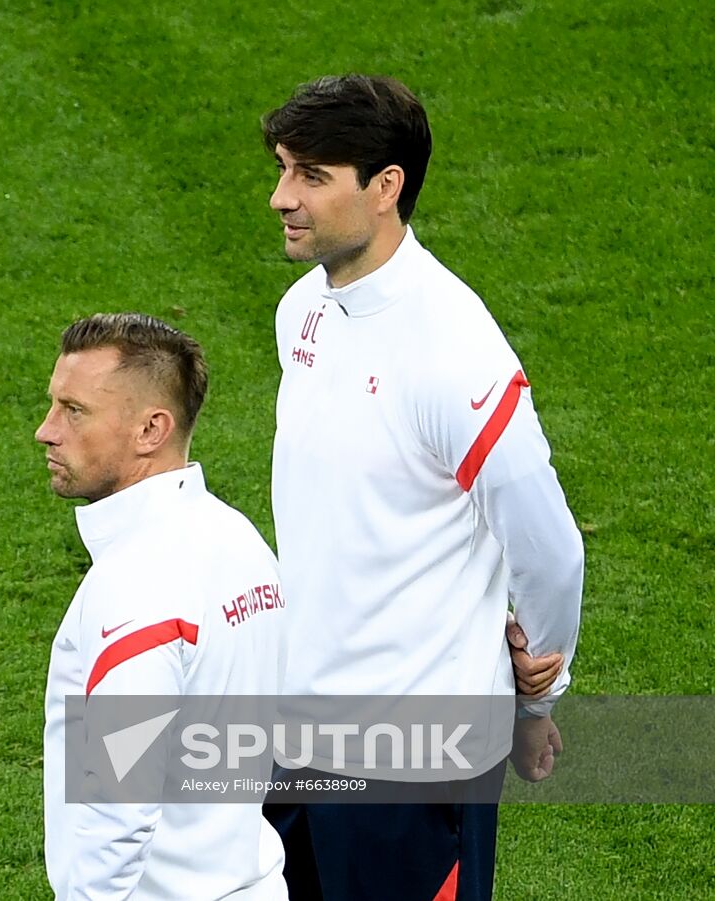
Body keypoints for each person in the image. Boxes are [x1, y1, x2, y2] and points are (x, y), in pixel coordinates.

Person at [260, 75, 584, 900]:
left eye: (309, 176)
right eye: (282, 168)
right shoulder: (300, 311)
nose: (279, 198)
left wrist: (537, 697)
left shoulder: (454, 351)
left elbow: (549, 550)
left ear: (386, 187)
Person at [37, 313, 289, 900]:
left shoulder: (135, 585)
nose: (46, 431)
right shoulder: (239, 539)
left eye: (74, 411)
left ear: (151, 429)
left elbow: (119, 809)